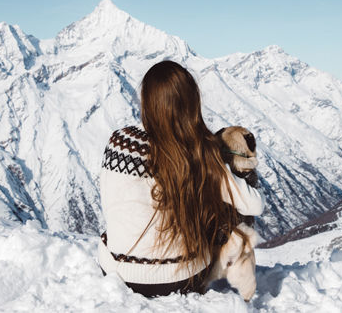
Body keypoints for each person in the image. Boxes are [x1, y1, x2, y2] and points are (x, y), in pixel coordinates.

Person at [98, 60, 264, 297]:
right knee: (233, 209)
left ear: (147, 102)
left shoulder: (119, 142)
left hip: (115, 272)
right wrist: (239, 169)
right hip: (179, 279)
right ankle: (240, 277)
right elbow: (255, 205)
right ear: (191, 103)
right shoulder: (198, 152)